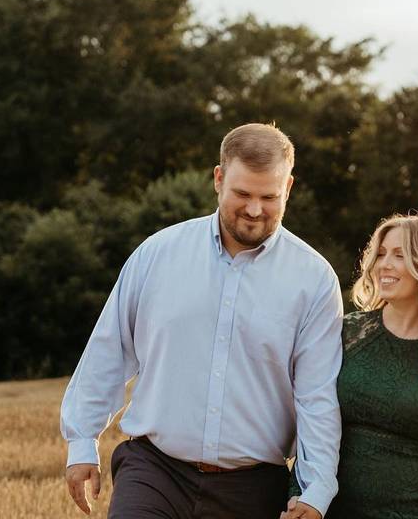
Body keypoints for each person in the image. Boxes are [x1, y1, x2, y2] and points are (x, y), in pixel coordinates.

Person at [61, 123, 343, 519]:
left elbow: (316, 395)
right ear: (218, 178)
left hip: (253, 485)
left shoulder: (314, 280)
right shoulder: (157, 254)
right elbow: (110, 348)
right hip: (154, 470)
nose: (254, 209)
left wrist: (318, 487)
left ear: (289, 188)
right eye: (242, 194)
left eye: (269, 197)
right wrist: (81, 440)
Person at [284, 214, 418, 519]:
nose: (384, 264)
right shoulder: (348, 332)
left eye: (399, 255)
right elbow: (313, 420)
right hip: (335, 510)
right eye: (380, 254)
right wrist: (299, 492)